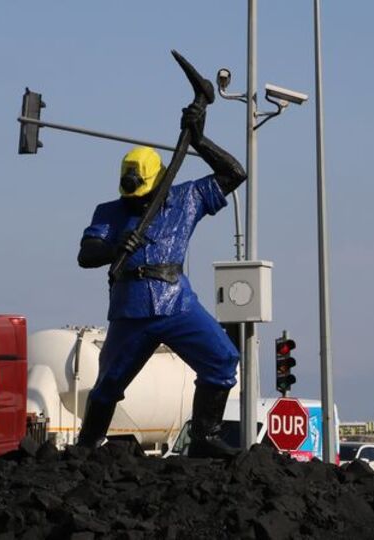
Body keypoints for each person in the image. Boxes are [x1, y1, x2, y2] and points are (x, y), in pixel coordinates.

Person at [76, 101, 247, 459]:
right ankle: (87, 446)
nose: (136, 204)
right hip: (130, 309)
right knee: (108, 384)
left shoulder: (187, 198)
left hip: (177, 304)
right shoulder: (110, 211)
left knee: (222, 358)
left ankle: (205, 436)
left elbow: (234, 174)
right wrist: (113, 247)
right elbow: (86, 253)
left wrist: (199, 140)